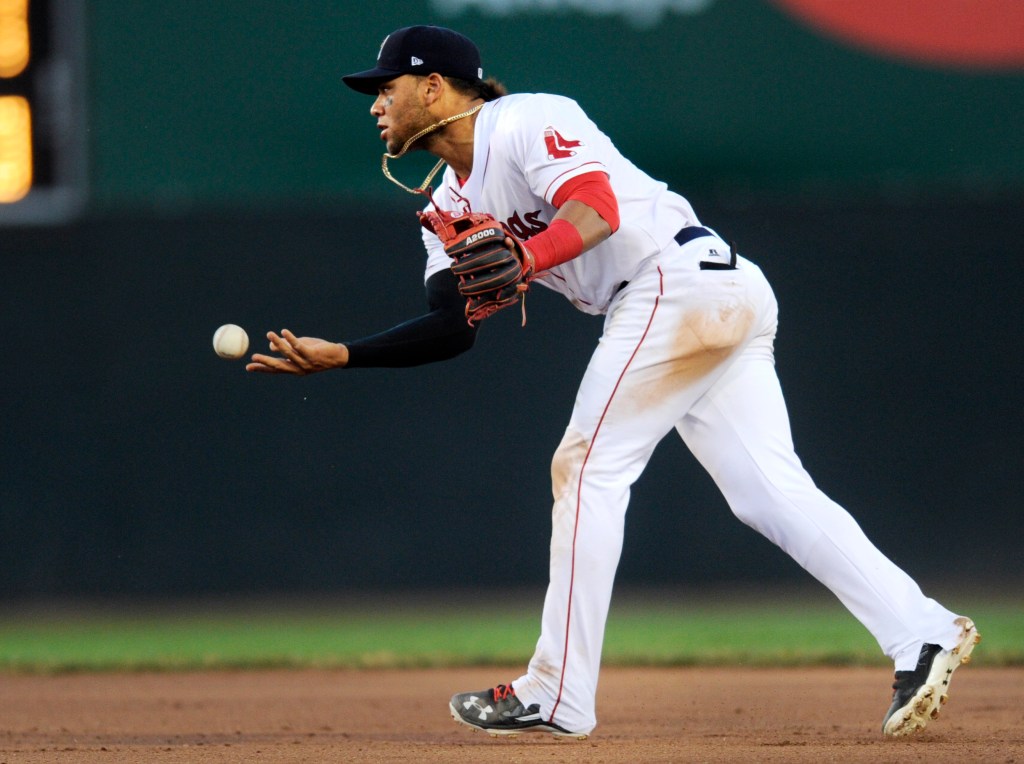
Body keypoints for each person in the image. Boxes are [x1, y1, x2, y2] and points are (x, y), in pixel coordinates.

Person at [247, 25, 979, 739]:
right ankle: (921, 631)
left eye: (387, 87)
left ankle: (556, 692)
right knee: (769, 492)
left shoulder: (528, 118)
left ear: (434, 88)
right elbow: (453, 325)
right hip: (706, 298)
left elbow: (596, 208)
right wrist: (346, 354)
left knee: (587, 469)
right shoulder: (444, 208)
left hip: (674, 281)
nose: (375, 103)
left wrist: (528, 259)